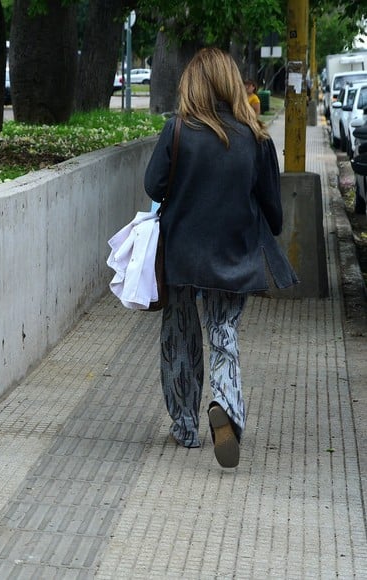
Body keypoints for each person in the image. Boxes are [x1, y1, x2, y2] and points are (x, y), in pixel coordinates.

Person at [144, 48, 297, 468]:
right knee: (223, 334)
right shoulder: (256, 139)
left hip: (181, 253)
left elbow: (154, 186)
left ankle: (183, 426)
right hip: (234, 252)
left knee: (179, 335)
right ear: (232, 83)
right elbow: (274, 211)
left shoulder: (177, 130)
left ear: (191, 83)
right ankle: (227, 409)